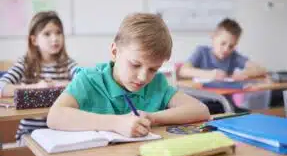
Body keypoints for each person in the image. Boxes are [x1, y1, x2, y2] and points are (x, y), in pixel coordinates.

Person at [47, 13, 210, 137]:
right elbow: (55, 116)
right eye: (135, 64)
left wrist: (151, 117)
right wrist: (116, 123)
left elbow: (201, 110)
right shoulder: (89, 79)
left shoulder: (157, 84)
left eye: (153, 69)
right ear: (114, 51)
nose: (143, 77)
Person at [0, 11, 77, 141]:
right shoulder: (25, 64)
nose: (55, 38)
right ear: (34, 40)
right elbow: (1, 86)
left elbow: (86, 82)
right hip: (29, 132)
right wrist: (36, 87)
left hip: (60, 132)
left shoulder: (68, 64)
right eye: (47, 34)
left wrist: (55, 85)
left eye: (58, 32)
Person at [178, 18, 267, 81]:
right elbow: (183, 71)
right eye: (223, 43)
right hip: (203, 101)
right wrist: (210, 74)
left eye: (231, 46)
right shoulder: (201, 52)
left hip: (225, 101)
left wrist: (244, 74)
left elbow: (261, 69)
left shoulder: (234, 56)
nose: (226, 49)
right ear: (213, 37)